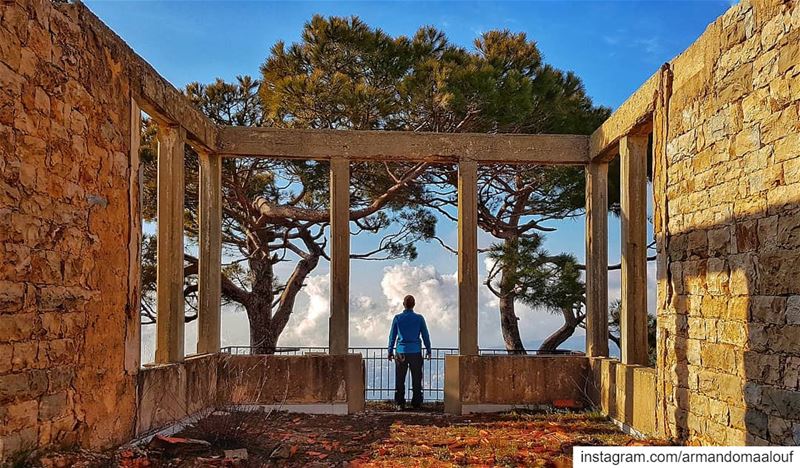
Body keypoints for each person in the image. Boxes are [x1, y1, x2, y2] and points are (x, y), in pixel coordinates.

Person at [387, 295, 432, 410]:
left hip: (401, 351)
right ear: (414, 304)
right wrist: (428, 349)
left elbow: (392, 336)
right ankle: (416, 402)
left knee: (400, 379)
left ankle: (400, 403)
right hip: (415, 351)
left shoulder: (397, 318)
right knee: (417, 378)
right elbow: (425, 335)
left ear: (403, 304)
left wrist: (390, 350)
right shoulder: (419, 318)